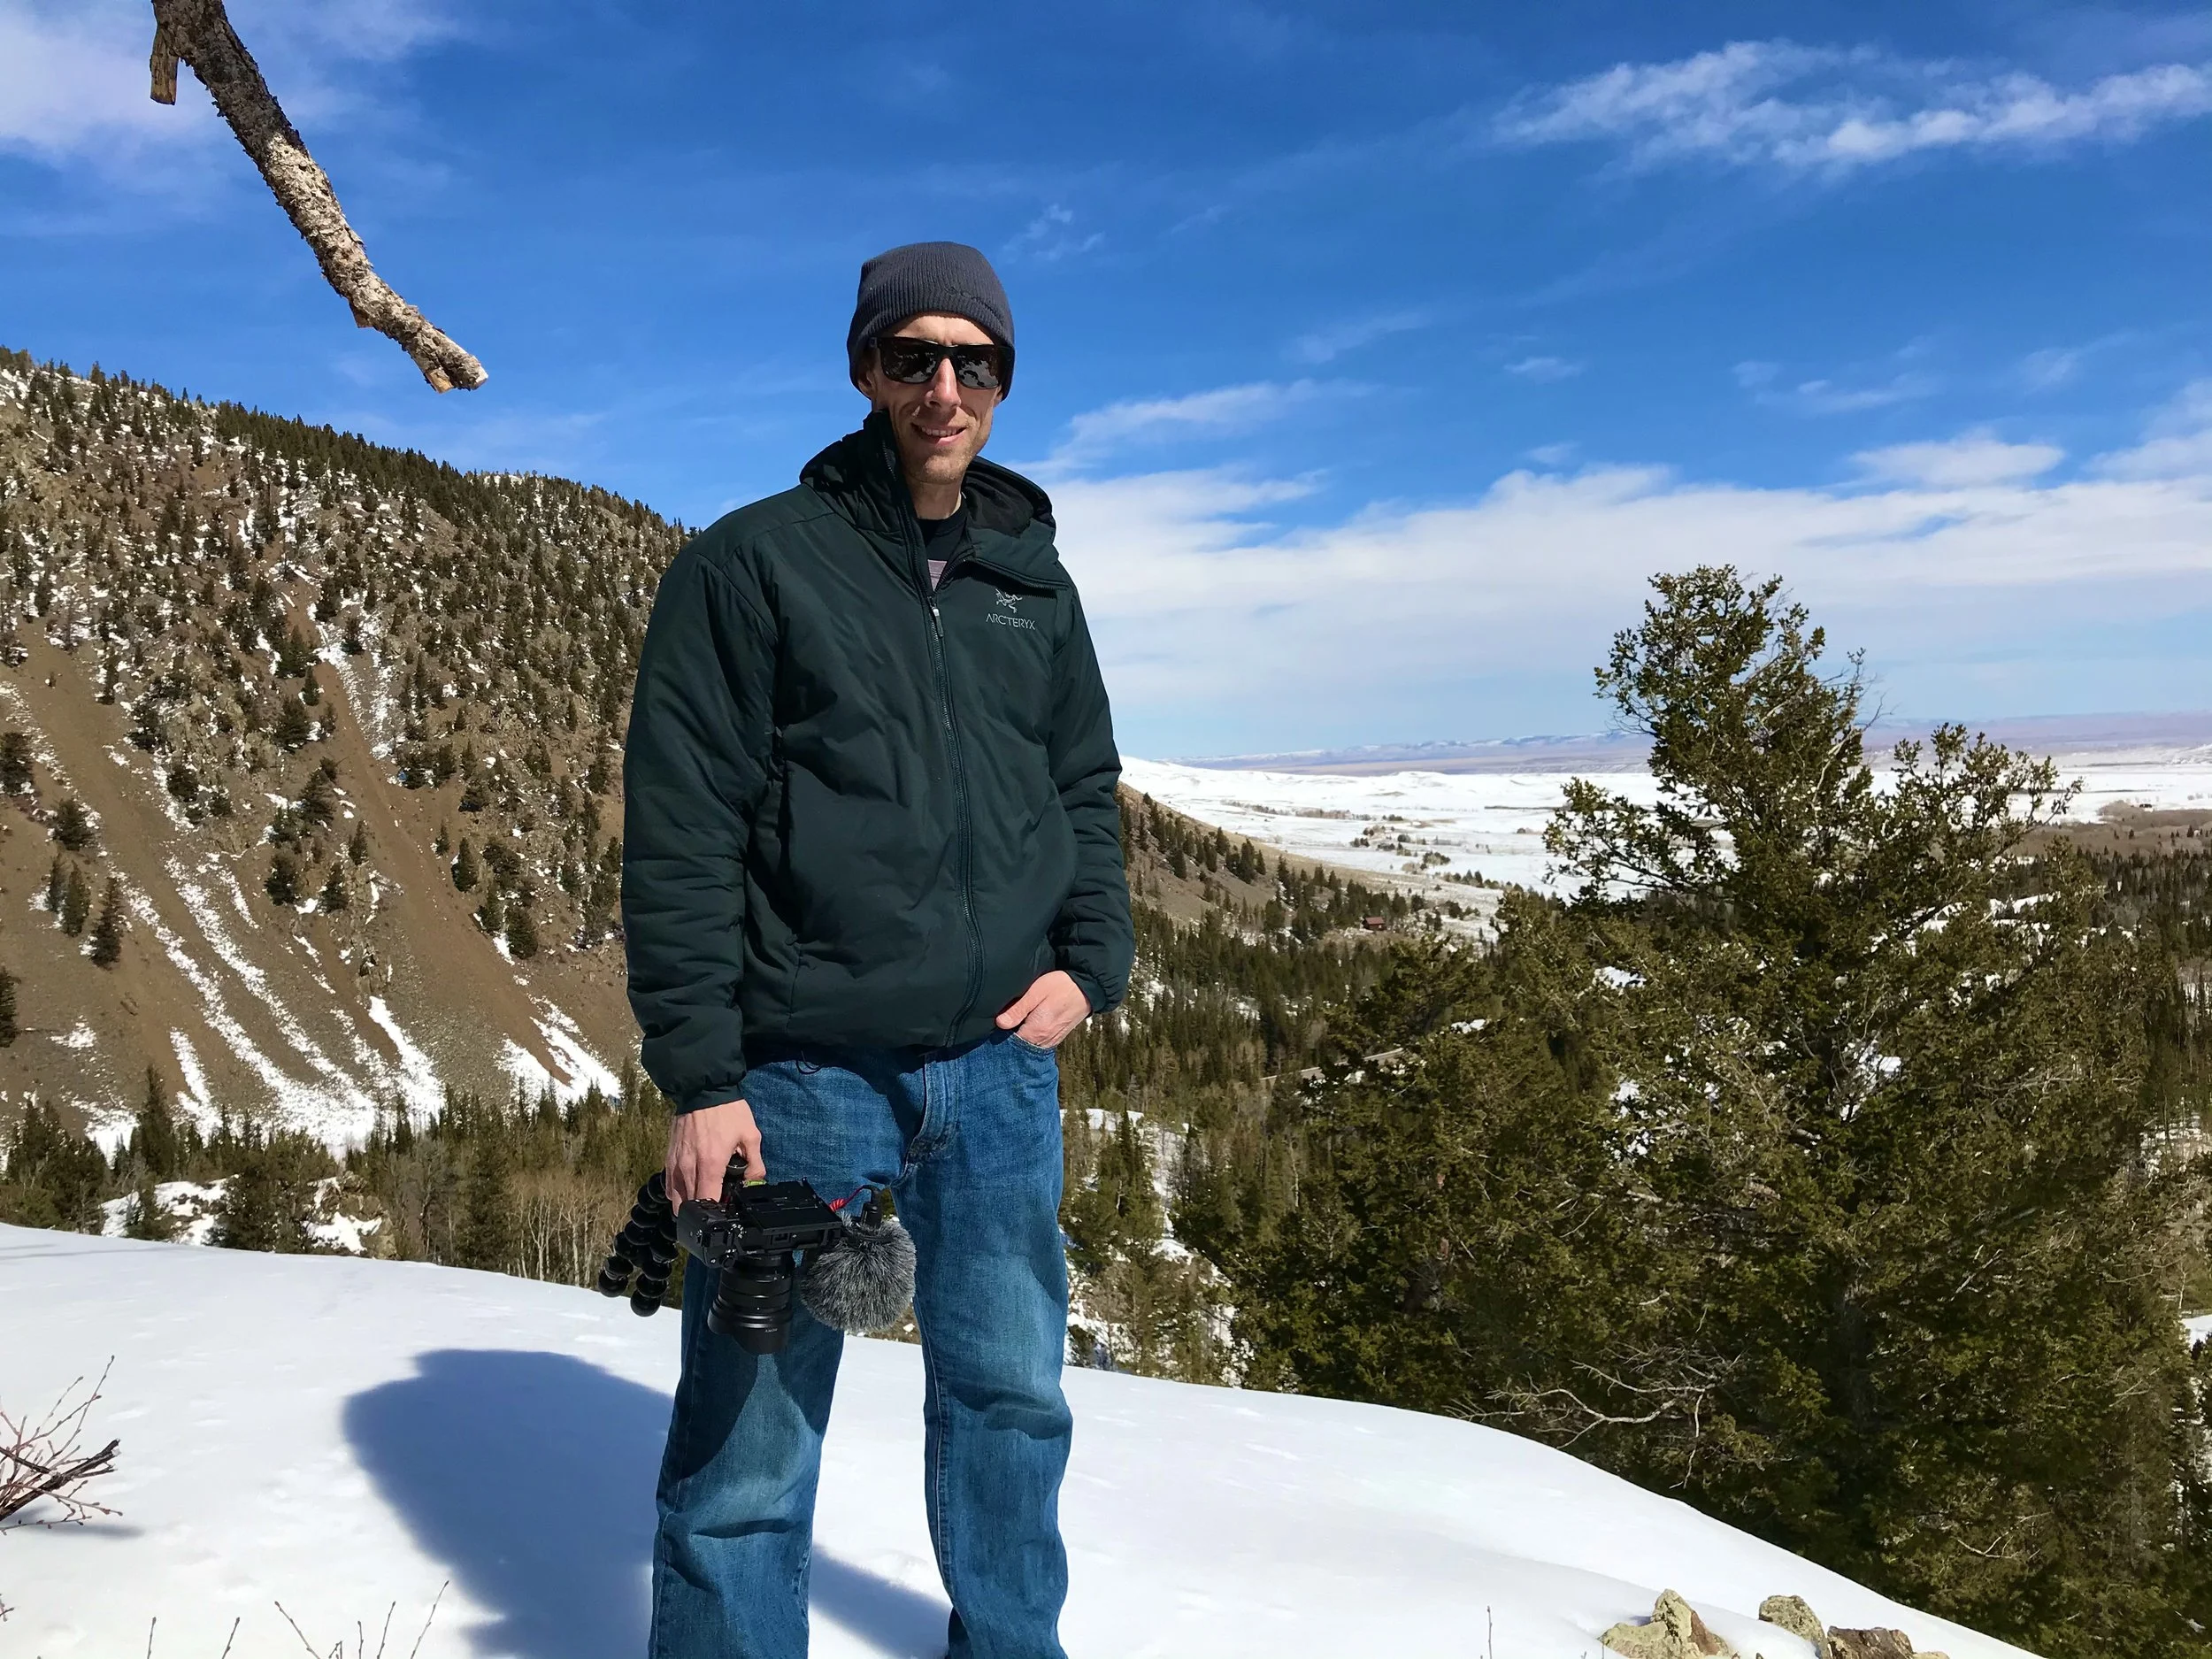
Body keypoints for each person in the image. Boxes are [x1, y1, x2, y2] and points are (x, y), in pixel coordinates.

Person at [621, 241, 1133, 1659]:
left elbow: (1083, 784)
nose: (945, 388)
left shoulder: (1033, 579)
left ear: (1005, 380)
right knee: (751, 1445)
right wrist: (702, 1077)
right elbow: (682, 830)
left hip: (999, 1068)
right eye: (915, 357)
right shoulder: (754, 564)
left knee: (1013, 1401)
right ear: (865, 371)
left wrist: (1094, 958)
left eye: (976, 362)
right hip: (805, 1075)